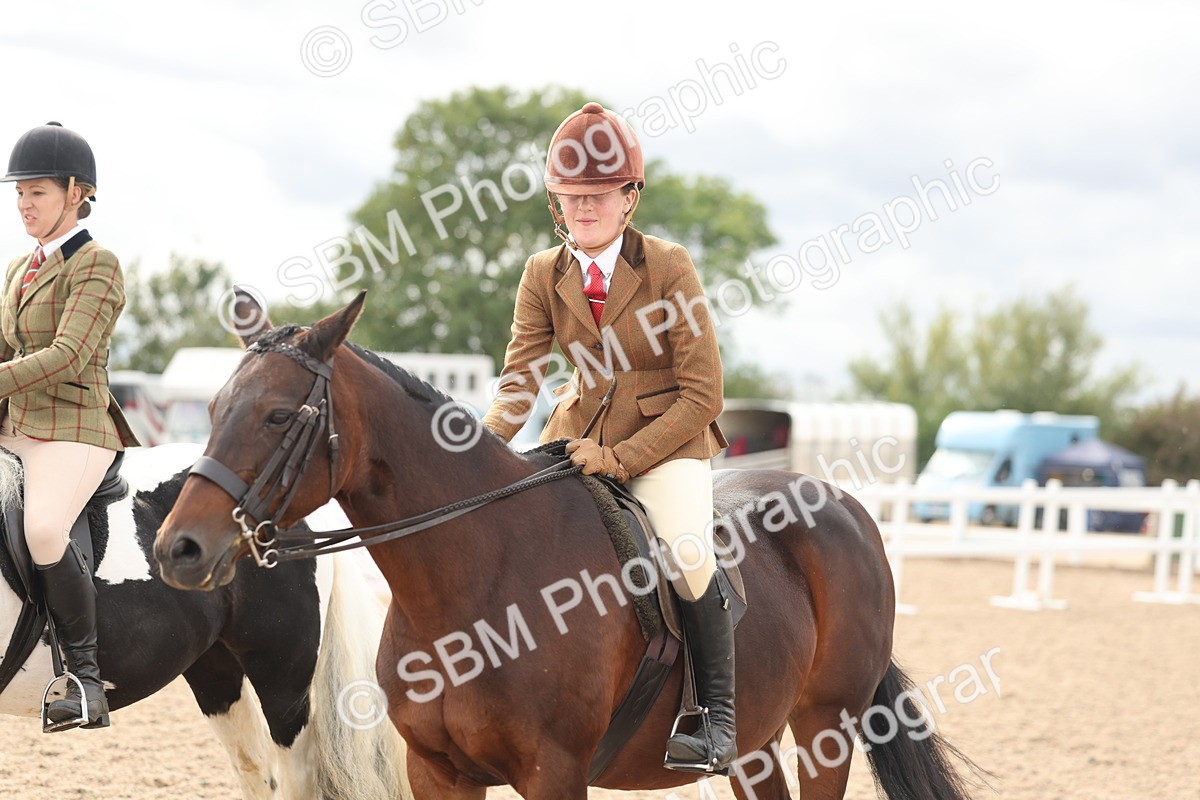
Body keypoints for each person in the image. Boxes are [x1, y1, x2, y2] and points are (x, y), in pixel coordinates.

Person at [482, 102, 735, 772]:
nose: (584, 209)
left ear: (630, 197)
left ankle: (716, 716)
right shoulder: (543, 272)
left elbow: (703, 393)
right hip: (574, 437)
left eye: (599, 195)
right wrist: (477, 452)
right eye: (570, 197)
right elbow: (519, 379)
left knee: (685, 550)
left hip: (666, 441)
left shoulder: (668, 266)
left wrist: (621, 458)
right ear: (554, 202)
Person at [0, 121, 141, 732]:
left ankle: (84, 680)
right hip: (17, 420)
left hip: (73, 427)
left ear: (76, 193)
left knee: (46, 528)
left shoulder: (97, 264)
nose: (25, 204)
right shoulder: (18, 269)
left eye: (37, 193)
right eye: (20, 193)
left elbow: (68, 355)